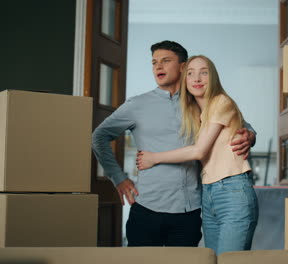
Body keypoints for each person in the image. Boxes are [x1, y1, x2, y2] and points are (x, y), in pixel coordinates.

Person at [92, 41, 256, 247]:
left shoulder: (199, 100)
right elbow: (99, 136)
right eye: (154, 63)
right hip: (146, 208)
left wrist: (250, 135)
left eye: (166, 61)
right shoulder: (137, 105)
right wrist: (118, 177)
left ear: (182, 66)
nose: (158, 67)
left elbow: (239, 123)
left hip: (189, 212)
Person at [136, 55, 259, 255]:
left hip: (233, 191)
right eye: (191, 74)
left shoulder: (221, 102)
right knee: (213, 260)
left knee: (228, 261)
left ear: (214, 77)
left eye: (204, 72)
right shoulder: (198, 114)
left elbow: (199, 151)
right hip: (208, 195)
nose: (197, 78)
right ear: (185, 80)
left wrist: (154, 158)